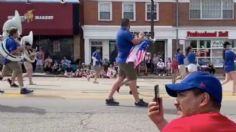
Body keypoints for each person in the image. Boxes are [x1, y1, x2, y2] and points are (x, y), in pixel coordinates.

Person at [148, 71, 236, 132]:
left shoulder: (180, 126)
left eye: (182, 95)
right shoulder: (232, 127)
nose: (175, 102)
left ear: (203, 99)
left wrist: (161, 123)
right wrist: (160, 121)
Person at [105, 18, 148, 107]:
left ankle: (109, 98)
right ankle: (137, 101)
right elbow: (135, 42)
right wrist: (141, 36)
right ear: (128, 24)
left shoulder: (120, 32)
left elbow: (131, 42)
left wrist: (137, 38)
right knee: (133, 79)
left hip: (121, 59)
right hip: (126, 60)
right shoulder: (126, 33)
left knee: (119, 79)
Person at [1, 28, 33, 94]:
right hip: (11, 60)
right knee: (19, 72)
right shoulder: (11, 41)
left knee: (2, 75)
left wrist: (19, 46)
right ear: (14, 33)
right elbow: (12, 51)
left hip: (8, 60)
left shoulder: (10, 40)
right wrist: (20, 48)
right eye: (17, 33)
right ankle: (22, 89)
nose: (18, 34)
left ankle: (22, 88)